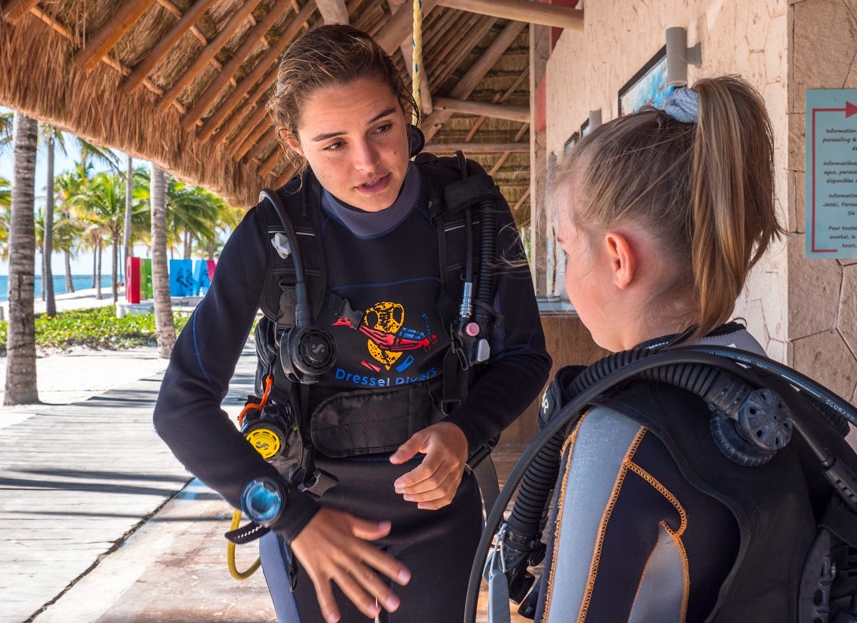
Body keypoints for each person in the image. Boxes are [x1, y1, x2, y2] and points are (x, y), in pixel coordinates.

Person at [153, 24, 551, 623]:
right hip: (312, 518)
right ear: (294, 140)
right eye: (333, 143)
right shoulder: (270, 238)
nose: (367, 162)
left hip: (443, 515)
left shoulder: (471, 210)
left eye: (383, 128)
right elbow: (180, 407)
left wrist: (465, 431)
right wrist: (290, 518)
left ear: (406, 112)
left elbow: (526, 355)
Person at [534, 76, 825, 622]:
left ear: (619, 258)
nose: (569, 279)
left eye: (570, 250)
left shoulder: (617, 436)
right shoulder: (765, 390)